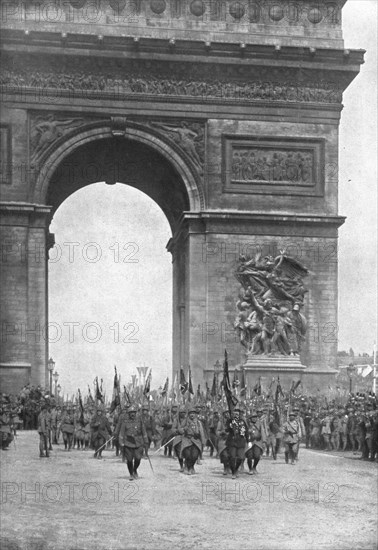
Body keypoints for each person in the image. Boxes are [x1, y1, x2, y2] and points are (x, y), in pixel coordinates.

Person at [118, 406, 148, 480]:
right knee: (129, 460)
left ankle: (135, 470)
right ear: (128, 414)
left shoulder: (140, 421)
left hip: (138, 443)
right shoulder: (125, 422)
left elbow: (144, 432)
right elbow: (121, 433)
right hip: (128, 443)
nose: (132, 414)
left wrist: (146, 441)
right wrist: (121, 442)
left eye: (134, 413)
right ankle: (131, 473)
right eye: (131, 413)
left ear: (136, 413)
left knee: (138, 458)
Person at [179, 407, 206, 475]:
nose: (192, 415)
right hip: (187, 439)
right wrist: (184, 429)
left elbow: (202, 432)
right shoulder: (185, 421)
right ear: (188, 414)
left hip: (196, 440)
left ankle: (191, 467)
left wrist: (203, 442)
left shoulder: (198, 422)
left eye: (193, 413)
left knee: (194, 456)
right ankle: (187, 467)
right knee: (187, 455)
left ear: (195, 414)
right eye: (191, 413)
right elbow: (180, 429)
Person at [225, 406, 249, 479]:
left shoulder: (242, 421)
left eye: (237, 414)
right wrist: (230, 426)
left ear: (239, 414)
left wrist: (248, 440)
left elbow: (246, 431)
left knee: (241, 457)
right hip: (232, 441)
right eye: (234, 414)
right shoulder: (229, 421)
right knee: (232, 457)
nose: (236, 415)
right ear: (232, 414)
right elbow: (227, 429)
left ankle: (236, 469)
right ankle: (233, 472)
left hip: (241, 441)